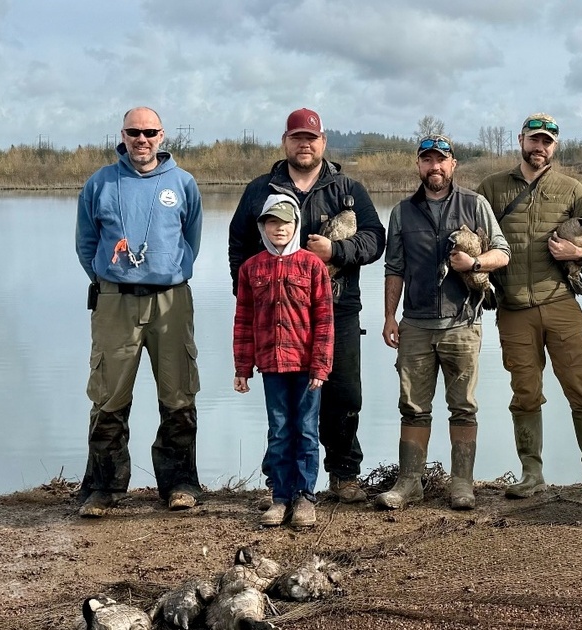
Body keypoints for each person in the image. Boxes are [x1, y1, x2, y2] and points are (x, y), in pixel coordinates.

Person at [228, 108, 385, 505]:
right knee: (283, 406)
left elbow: (375, 240)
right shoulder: (260, 189)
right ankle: (279, 483)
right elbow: (238, 246)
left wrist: (338, 250)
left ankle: (344, 474)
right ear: (285, 141)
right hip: (277, 318)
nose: (305, 144)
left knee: (344, 395)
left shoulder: (348, 188)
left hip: (339, 309)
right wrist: (250, 296)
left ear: (323, 142)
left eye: (311, 138)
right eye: (297, 137)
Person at [475, 113, 582, 499]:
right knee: (524, 392)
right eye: (534, 139)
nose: (540, 147)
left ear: (555, 146)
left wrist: (581, 251)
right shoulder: (491, 188)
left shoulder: (572, 190)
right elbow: (475, 236)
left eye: (547, 142)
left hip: (561, 303)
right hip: (513, 309)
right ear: (520, 139)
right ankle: (531, 473)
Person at [75, 106, 203, 517]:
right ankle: (104, 487)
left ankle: (180, 483)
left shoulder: (183, 184)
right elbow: (86, 244)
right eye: (134, 132)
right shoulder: (100, 183)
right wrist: (111, 278)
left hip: (171, 298)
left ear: (163, 136)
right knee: (108, 392)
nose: (142, 139)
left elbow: (192, 239)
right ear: (123, 135)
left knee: (178, 391)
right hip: (115, 300)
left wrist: (165, 271)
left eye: (150, 132)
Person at [377, 134, 510, 511]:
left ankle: (462, 485)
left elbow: (503, 252)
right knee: (413, 407)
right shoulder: (402, 212)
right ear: (418, 165)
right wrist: (389, 315)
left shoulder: (475, 204)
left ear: (453, 165)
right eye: (427, 160)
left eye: (441, 160)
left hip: (463, 323)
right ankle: (408, 484)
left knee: (464, 406)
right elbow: (394, 267)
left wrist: (475, 264)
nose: (434, 167)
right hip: (416, 325)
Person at [233, 194, 335, 528]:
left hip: (307, 368)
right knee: (278, 431)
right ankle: (279, 497)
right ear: (263, 226)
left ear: (296, 226)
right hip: (271, 366)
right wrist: (242, 368)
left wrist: (321, 365)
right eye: (272, 222)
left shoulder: (312, 265)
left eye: (285, 223)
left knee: (306, 430)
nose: (279, 229)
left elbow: (324, 320)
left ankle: (305, 497)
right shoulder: (252, 268)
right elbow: (243, 320)